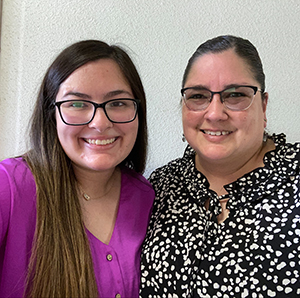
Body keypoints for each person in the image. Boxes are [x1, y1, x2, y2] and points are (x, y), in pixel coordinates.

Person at [140, 35, 300, 297]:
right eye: (198, 96)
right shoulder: (160, 187)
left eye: (235, 95)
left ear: (264, 104)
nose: (214, 113)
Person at [0, 40, 154, 298]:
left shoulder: (146, 196)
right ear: (52, 115)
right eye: (77, 104)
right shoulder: (10, 187)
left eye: (117, 103)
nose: (100, 123)